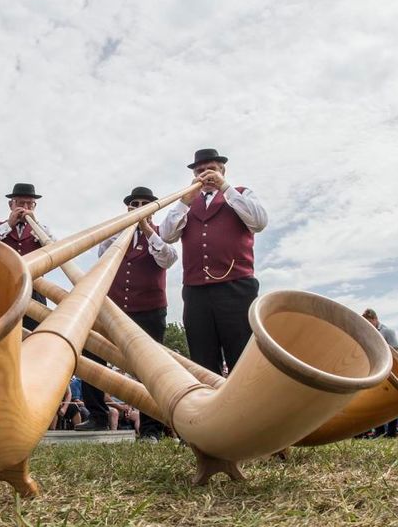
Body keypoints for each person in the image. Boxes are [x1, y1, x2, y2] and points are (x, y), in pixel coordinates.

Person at [80, 186, 178, 434]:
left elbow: (167, 259)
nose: (139, 208)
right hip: (114, 308)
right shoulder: (116, 234)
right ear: (128, 208)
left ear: (153, 210)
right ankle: (98, 417)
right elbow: (102, 259)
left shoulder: (160, 233)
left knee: (150, 366)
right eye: (134, 204)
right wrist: (124, 229)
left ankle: (150, 427)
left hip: (149, 309)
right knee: (92, 353)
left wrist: (145, 229)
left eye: (144, 204)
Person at [160, 149, 268, 375]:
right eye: (200, 171)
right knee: (203, 358)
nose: (206, 175)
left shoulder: (240, 193)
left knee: (241, 355)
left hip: (236, 288)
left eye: (212, 170)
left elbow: (259, 222)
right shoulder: (188, 204)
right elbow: (167, 235)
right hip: (196, 291)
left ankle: (242, 406)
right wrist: (184, 201)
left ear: (223, 171)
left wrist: (225, 188)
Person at [0, 183, 54, 331]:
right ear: (11, 204)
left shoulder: (43, 230)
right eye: (21, 203)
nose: (25, 208)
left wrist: (36, 226)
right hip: (1, 288)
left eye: (30, 204)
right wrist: (8, 225)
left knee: (34, 333)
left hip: (35, 291)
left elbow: (57, 250)